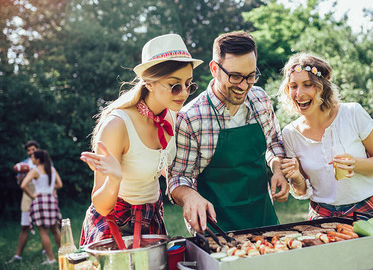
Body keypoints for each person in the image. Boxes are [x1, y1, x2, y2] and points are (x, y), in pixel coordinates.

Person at [79, 34, 203, 245]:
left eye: (189, 84)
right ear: (149, 83)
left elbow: (165, 167)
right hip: (114, 222)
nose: (183, 93)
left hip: (151, 216)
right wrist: (114, 179)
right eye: (174, 85)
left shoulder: (173, 115)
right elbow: (101, 206)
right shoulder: (117, 126)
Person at [168, 31, 289, 233]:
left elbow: (274, 141)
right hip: (216, 228)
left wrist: (277, 168)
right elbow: (178, 177)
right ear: (214, 69)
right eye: (235, 76)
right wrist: (190, 197)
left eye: (251, 76)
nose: (244, 86)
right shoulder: (190, 118)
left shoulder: (260, 99)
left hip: (264, 218)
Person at [279, 52, 373, 224]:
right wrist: (296, 177)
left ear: (323, 87)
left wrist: (355, 164)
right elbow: (301, 191)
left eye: (307, 85)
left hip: (366, 208)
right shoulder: (290, 134)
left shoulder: (353, 113)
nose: (299, 93)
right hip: (321, 213)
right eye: (293, 86)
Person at [21, 149, 63, 265]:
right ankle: (64, 254)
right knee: (55, 230)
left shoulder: (35, 171)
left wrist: (32, 194)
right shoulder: (52, 169)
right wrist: (49, 188)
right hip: (51, 200)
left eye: (33, 158)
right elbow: (60, 184)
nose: (31, 159)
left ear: (38, 160)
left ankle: (51, 259)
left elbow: (23, 184)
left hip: (40, 201)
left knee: (44, 232)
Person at [7, 140, 41, 264]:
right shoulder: (23, 165)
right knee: (24, 226)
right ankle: (18, 256)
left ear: (37, 149)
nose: (31, 152)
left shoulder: (44, 163)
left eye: (33, 149)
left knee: (45, 227)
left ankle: (47, 252)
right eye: (29, 150)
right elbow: (20, 183)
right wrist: (21, 175)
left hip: (41, 198)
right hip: (28, 199)